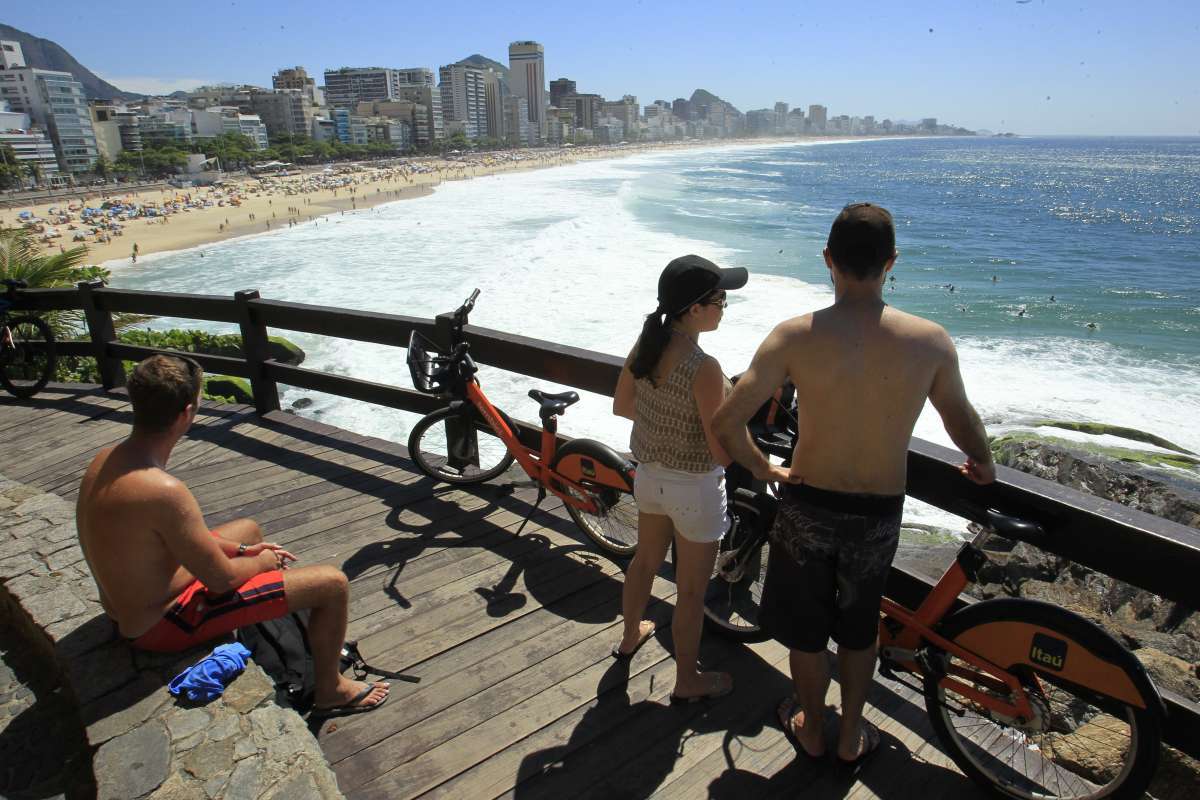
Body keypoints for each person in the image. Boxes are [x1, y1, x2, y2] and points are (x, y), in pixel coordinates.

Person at [713, 203, 994, 769]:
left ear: (828, 261)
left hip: (808, 505)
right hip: (879, 512)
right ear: (891, 263)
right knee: (860, 630)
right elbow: (959, 418)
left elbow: (726, 420)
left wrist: (763, 468)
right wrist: (982, 462)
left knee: (808, 634)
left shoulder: (793, 337)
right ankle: (850, 737)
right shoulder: (930, 340)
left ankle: (813, 729)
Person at [76, 355, 388, 716]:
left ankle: (273, 626)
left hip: (130, 604)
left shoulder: (107, 459)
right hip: (160, 624)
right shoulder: (162, 489)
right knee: (332, 585)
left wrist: (242, 547)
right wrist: (263, 561)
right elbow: (220, 579)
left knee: (248, 529)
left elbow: (174, 540)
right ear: (187, 412)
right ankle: (331, 689)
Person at [612, 255, 783, 702]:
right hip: (694, 489)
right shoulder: (703, 366)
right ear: (694, 310)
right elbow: (719, 448)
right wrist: (757, 454)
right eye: (720, 300)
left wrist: (666, 428)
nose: (724, 307)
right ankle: (688, 681)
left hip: (649, 478)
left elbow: (623, 406)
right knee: (690, 593)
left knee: (644, 562)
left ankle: (630, 636)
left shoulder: (647, 342)